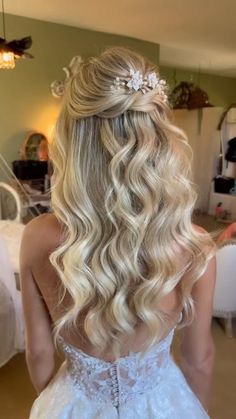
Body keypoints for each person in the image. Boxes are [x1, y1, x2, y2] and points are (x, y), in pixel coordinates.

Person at [20, 47, 216, 419]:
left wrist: (57, 404)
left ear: (73, 142)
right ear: (160, 136)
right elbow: (199, 360)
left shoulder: (37, 237)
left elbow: (40, 355)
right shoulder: (193, 244)